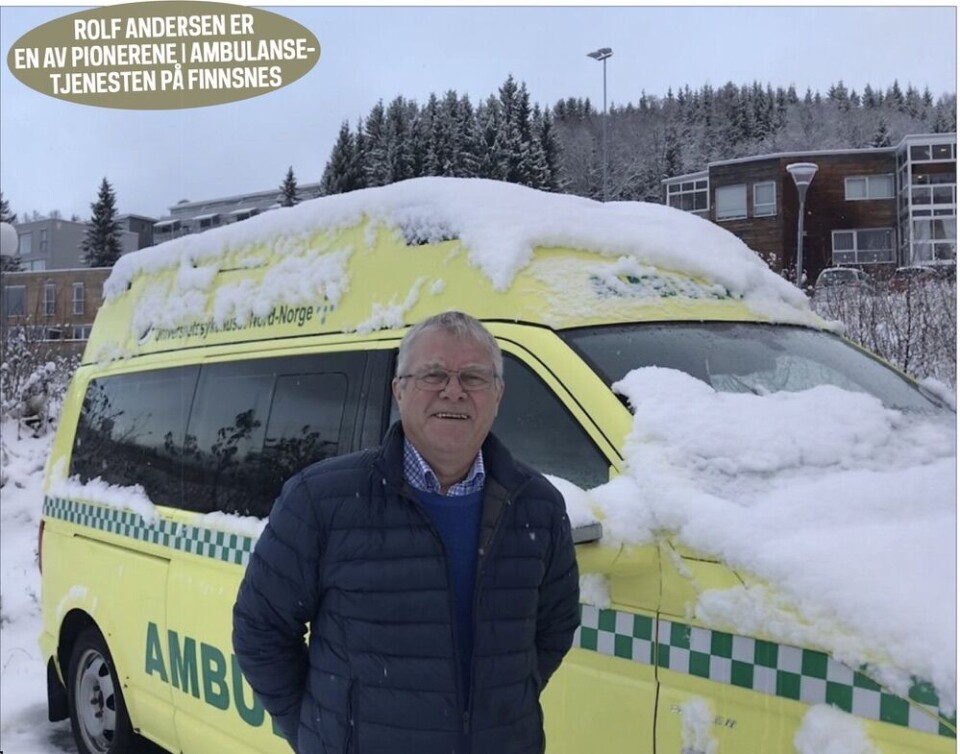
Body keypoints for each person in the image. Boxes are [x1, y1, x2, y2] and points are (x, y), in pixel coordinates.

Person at [233, 310, 580, 754]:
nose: (453, 390)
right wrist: (318, 734)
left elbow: (554, 626)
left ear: (497, 394)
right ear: (399, 390)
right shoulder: (319, 499)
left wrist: (498, 709)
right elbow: (260, 629)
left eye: (474, 377)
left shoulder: (538, 505)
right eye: (433, 374)